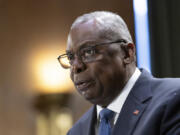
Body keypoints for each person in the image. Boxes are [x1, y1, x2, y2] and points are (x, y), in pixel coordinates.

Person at [57, 11, 180, 135]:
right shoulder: (76, 132)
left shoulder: (173, 99)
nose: (76, 67)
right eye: (71, 57)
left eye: (89, 52)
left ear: (127, 53)